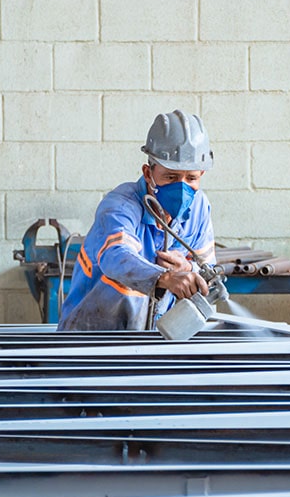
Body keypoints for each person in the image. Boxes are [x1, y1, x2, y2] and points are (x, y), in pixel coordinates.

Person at [58, 110, 217, 331]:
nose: (181, 188)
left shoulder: (199, 207)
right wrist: (165, 277)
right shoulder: (120, 206)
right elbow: (116, 256)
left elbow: (207, 267)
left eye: (191, 178)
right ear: (148, 173)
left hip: (148, 337)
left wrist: (189, 268)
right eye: (170, 177)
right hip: (92, 336)